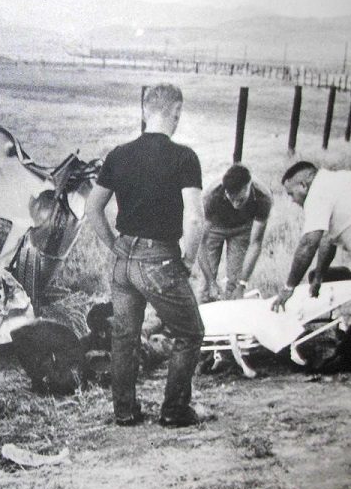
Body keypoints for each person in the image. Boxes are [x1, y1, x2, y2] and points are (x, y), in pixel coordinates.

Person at [86, 83, 205, 428]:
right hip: (160, 257)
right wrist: (189, 260)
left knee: (124, 336)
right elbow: (195, 218)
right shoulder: (184, 157)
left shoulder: (118, 154)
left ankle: (124, 412)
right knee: (190, 332)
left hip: (124, 258)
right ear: (176, 112)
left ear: (144, 111)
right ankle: (174, 411)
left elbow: (93, 207)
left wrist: (113, 244)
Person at [271, 161, 351, 311]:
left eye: (291, 194)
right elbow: (327, 240)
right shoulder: (331, 182)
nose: (293, 201)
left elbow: (309, 243)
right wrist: (319, 277)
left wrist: (289, 287)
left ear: (303, 186)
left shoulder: (317, 193)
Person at [198, 163, 272, 301]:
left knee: (235, 284)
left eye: (241, 200)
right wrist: (211, 282)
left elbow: (255, 243)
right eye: (231, 199)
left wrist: (242, 285)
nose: (236, 204)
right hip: (215, 227)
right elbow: (200, 244)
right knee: (206, 289)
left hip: (242, 229)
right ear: (225, 192)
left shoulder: (263, 197)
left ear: (249, 185)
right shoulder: (211, 195)